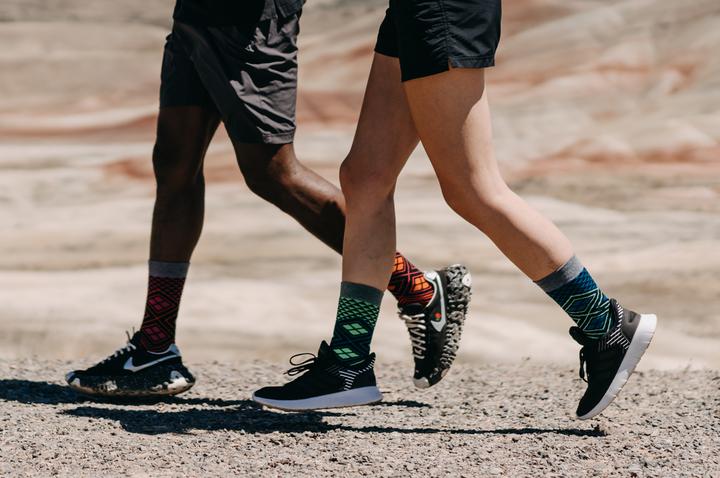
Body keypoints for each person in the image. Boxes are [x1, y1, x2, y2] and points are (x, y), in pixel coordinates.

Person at [252, 0, 657, 419]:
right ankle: (347, 363)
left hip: (443, 7)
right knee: (365, 177)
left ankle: (603, 323)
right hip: (413, 9)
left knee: (473, 188)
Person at [64, 0, 473, 398]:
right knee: (174, 164)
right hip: (196, 14)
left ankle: (416, 287)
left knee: (273, 173)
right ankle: (154, 349)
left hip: (250, 20)